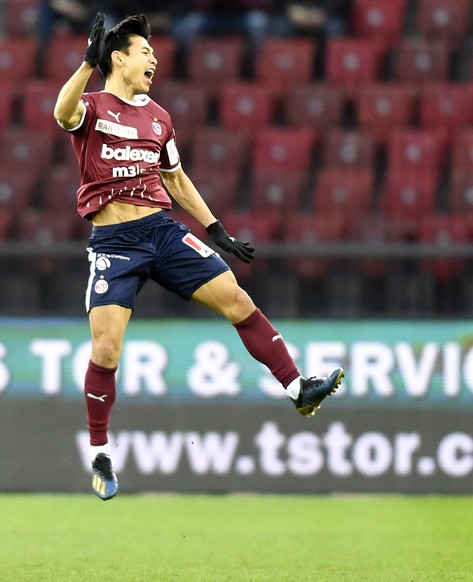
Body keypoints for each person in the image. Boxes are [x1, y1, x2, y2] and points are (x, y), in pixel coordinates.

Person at [53, 13, 344, 501]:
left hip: (162, 232)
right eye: (145, 51)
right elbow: (62, 115)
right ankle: (101, 451)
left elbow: (175, 179)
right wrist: (86, 62)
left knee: (235, 297)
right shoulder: (92, 106)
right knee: (106, 349)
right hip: (115, 244)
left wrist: (215, 228)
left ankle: (298, 389)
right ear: (118, 58)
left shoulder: (159, 116)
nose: (154, 59)